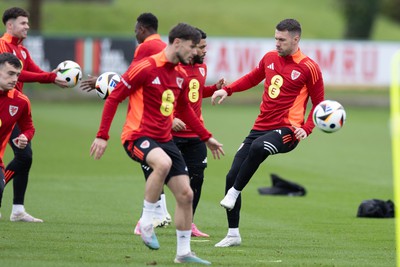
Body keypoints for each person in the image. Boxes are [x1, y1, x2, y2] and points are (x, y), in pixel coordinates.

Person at [90, 22, 224, 265]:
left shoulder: (181, 74)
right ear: (177, 43)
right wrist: (102, 135)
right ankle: (147, 222)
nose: (195, 52)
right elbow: (114, 98)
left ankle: (183, 253)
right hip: (137, 136)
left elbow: (185, 109)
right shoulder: (145, 68)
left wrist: (206, 136)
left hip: (164, 140)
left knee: (186, 194)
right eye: (193, 47)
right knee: (162, 163)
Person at [211, 19, 325, 247]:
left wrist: (307, 129)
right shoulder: (270, 58)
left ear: (296, 39)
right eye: (275, 38)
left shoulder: (309, 67)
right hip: (260, 127)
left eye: (282, 40)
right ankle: (233, 234)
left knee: (258, 148)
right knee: (232, 174)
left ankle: (234, 193)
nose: (277, 44)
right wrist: (228, 89)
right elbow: (253, 77)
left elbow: (319, 104)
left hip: (288, 131)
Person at [80, 13, 172, 229]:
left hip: (152, 116)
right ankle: (162, 212)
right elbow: (139, 79)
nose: (135, 34)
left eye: (135, 30)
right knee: (160, 165)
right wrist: (103, 81)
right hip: (163, 113)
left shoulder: (145, 48)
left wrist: (103, 82)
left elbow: (131, 80)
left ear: (141, 29)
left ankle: (152, 217)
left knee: (155, 163)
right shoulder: (161, 46)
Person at [0, 7, 68, 222]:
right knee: (24, 157)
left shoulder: (24, 51)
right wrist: (48, 78)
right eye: (23, 23)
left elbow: (35, 73)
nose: (27, 26)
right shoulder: (2, 47)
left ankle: (17, 209)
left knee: (25, 157)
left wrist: (54, 76)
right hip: (5, 108)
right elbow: (25, 74)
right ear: (9, 25)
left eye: (28, 23)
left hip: (15, 110)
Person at [172, 28, 225, 237]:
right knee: (161, 176)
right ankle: (149, 217)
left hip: (195, 135)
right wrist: (170, 119)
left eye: (205, 46)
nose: (205, 50)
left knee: (197, 179)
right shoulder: (174, 68)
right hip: (173, 134)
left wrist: (213, 88)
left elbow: (195, 92)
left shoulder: (202, 68)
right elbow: (158, 96)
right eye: (201, 47)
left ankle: (189, 223)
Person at [0, 52, 35, 220]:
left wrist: (25, 137)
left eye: (17, 75)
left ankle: (17, 209)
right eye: (10, 74)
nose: (15, 79)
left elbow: (29, 127)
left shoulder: (21, 101)